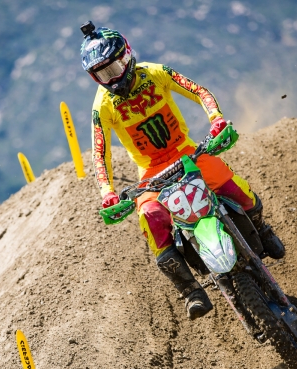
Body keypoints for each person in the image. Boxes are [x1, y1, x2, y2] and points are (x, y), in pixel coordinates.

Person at [79, 22, 285, 319]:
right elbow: (100, 151)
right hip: (150, 172)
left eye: (113, 68)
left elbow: (198, 91)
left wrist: (216, 120)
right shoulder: (103, 107)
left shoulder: (156, 72)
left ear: (126, 56)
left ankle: (262, 230)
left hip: (186, 152)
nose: (111, 78)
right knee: (150, 218)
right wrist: (107, 192)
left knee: (233, 185)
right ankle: (190, 291)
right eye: (102, 74)